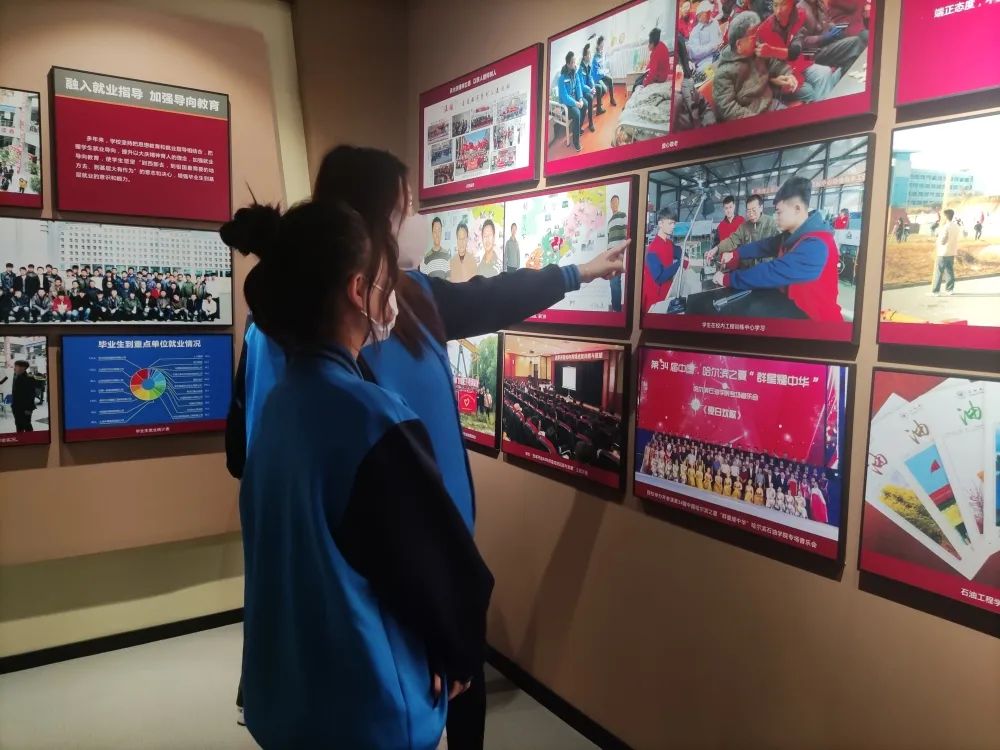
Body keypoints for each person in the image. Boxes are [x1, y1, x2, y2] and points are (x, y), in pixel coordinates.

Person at [226, 145, 627, 750]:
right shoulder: (324, 373)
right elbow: (266, 468)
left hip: (429, 554)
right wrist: (447, 628)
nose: (415, 224)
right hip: (385, 574)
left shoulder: (406, 300)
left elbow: (491, 296)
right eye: (405, 211)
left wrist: (576, 274)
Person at [221, 199, 493, 750]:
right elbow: (441, 571)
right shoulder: (372, 419)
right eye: (384, 283)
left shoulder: (279, 406)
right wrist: (456, 650)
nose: (391, 299)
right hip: (365, 712)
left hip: (291, 703)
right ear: (357, 289)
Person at [711, 176, 843, 321]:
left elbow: (771, 272)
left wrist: (728, 279)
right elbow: (764, 246)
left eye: (779, 212)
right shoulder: (791, 236)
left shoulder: (817, 245)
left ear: (797, 209)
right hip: (791, 311)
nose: (776, 217)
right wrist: (735, 254)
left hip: (817, 324)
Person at [714, 11, 797, 121]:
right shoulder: (724, 73)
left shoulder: (756, 50)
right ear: (739, 44)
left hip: (772, 104)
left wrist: (787, 74)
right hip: (752, 116)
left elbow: (774, 63)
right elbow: (727, 107)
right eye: (753, 36)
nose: (757, 38)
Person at [755, 0, 836, 103]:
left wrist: (772, 51)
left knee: (825, 72)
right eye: (775, 5)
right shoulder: (763, 30)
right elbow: (761, 70)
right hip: (783, 74)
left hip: (800, 64)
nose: (778, 11)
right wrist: (774, 80)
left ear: (792, 4)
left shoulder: (800, 15)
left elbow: (795, 50)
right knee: (809, 91)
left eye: (783, 4)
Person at [642, 207, 685, 311]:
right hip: (654, 300)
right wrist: (680, 263)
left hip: (666, 294)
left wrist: (684, 257)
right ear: (660, 224)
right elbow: (659, 277)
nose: (673, 226)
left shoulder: (669, 243)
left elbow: (679, 251)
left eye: (674, 223)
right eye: (670, 223)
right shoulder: (653, 249)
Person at [557, 51, 586, 153]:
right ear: (568, 64)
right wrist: (576, 103)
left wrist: (581, 99)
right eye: (573, 62)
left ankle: (578, 128)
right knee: (577, 113)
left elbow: (578, 87)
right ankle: (576, 142)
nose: (575, 64)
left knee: (585, 104)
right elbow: (565, 97)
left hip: (574, 99)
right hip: (566, 104)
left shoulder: (575, 73)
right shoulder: (562, 78)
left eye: (575, 61)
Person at [686, 2, 723, 73]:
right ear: (699, 15)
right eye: (706, 12)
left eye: (709, 11)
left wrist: (717, 45)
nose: (709, 13)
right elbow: (694, 53)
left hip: (718, 56)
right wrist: (712, 47)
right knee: (707, 71)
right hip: (703, 62)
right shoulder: (695, 30)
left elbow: (719, 40)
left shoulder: (714, 23)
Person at [931, 208, 959, 296]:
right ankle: (949, 290)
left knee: (939, 271)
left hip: (943, 252)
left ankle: (936, 291)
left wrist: (938, 237)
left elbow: (943, 241)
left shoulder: (945, 227)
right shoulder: (956, 226)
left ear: (946, 217)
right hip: (952, 251)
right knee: (949, 271)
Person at [607, 194, 628, 313]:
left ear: (618, 203)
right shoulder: (609, 221)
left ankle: (617, 310)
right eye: (613, 202)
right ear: (610, 205)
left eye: (616, 202)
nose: (614, 204)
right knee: (613, 280)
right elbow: (609, 239)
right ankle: (616, 308)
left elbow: (627, 232)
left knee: (615, 280)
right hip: (611, 253)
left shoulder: (623, 215)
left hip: (619, 251)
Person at [635, 27, 672, 92]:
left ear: (652, 43)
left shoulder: (655, 53)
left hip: (660, 77)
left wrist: (645, 84)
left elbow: (652, 72)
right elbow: (652, 64)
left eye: (649, 43)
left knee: (637, 83)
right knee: (639, 79)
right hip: (663, 74)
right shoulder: (661, 45)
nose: (648, 46)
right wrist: (647, 69)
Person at [592, 35, 617, 109]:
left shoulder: (601, 53)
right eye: (601, 44)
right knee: (604, 89)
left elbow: (601, 66)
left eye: (603, 44)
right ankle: (599, 102)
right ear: (598, 45)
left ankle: (611, 99)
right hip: (596, 76)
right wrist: (604, 72)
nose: (603, 46)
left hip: (601, 74)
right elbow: (596, 71)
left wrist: (604, 70)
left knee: (610, 79)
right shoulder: (596, 56)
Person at [12, 360, 37, 432]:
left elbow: (31, 395)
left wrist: (29, 409)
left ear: (23, 368)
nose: (15, 368)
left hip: (25, 408)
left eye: (16, 366)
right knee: (18, 425)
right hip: (16, 407)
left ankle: (31, 439)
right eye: (15, 366)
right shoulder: (15, 377)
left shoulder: (29, 379)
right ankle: (20, 438)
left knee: (27, 426)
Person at [579, 44, 601, 118]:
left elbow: (591, 77)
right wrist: (590, 90)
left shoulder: (589, 66)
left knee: (599, 87)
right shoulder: (580, 69)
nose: (590, 56)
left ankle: (599, 109)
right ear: (585, 56)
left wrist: (593, 86)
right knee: (590, 97)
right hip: (583, 90)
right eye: (589, 54)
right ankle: (590, 120)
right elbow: (582, 86)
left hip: (589, 87)